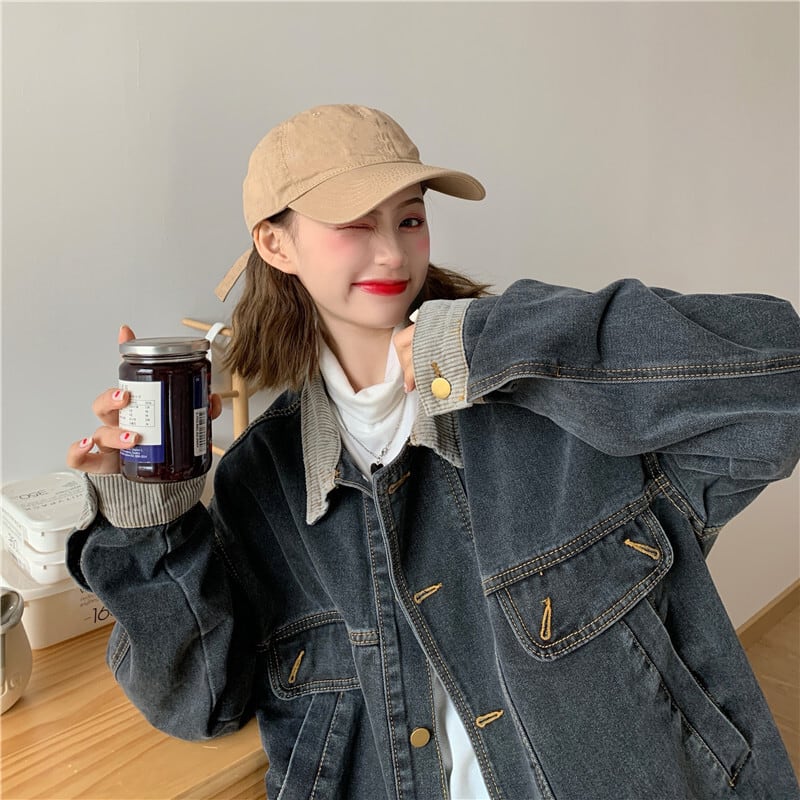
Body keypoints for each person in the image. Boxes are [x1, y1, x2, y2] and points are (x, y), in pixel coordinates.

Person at [66, 104, 800, 800]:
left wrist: (490, 342)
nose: (393, 251)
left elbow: (784, 377)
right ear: (275, 244)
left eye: (410, 219)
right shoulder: (263, 480)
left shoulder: (552, 409)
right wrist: (149, 515)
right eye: (354, 223)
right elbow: (200, 703)